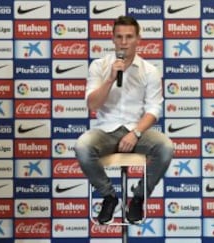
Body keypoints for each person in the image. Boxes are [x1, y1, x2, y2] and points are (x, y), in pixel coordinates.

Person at [74, 15, 174, 225]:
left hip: (137, 131)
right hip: (106, 130)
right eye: (119, 37)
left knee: (165, 146)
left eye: (129, 37)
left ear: (138, 39)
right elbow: (93, 105)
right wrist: (110, 78)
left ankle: (138, 198)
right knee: (82, 146)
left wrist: (135, 133)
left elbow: (154, 109)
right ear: (112, 39)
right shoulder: (99, 66)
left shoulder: (150, 71)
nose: (124, 42)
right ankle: (109, 197)